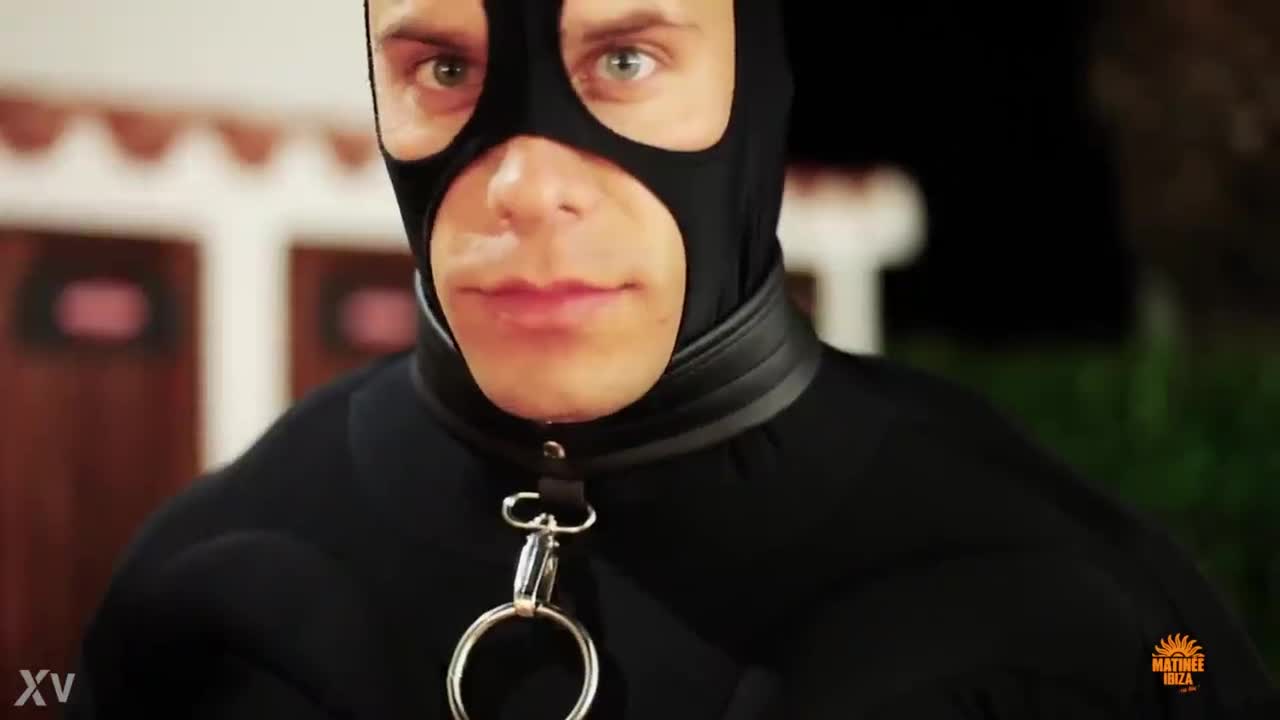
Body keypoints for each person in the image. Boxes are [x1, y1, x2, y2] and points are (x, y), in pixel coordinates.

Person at [65, 0, 1278, 718]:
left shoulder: (1087, 609)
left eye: (624, 60)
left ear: (755, 85)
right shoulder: (206, 589)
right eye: (443, 68)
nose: (524, 181)